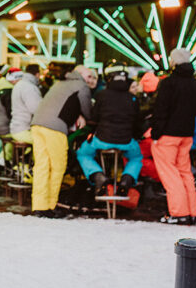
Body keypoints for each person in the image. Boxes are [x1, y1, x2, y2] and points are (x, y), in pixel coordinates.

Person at [30, 65, 93, 217]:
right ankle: (51, 205)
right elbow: (88, 111)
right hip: (55, 128)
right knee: (58, 166)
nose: (92, 80)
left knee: (42, 166)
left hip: (37, 125)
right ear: (81, 75)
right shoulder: (81, 86)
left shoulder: (60, 83)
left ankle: (39, 205)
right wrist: (84, 116)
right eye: (90, 76)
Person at [150, 48, 196, 225]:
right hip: (186, 134)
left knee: (170, 174)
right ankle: (192, 212)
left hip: (167, 135)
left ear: (174, 62)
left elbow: (160, 110)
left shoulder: (168, 83)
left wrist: (156, 133)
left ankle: (179, 213)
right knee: (185, 173)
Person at [77, 61, 143, 196]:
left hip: (102, 139)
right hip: (126, 141)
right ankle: (126, 180)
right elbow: (137, 123)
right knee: (136, 157)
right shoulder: (133, 98)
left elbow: (94, 119)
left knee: (83, 153)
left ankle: (97, 175)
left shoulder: (101, 95)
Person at [9, 64, 42, 143]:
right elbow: (36, 109)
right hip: (23, 129)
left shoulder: (20, 84)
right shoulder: (29, 87)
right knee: (43, 142)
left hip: (16, 127)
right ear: (37, 74)